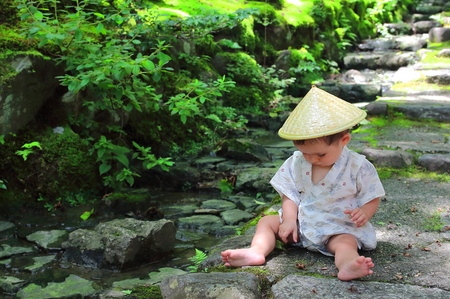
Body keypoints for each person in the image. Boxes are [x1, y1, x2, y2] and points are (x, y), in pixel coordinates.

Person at [221, 86, 385, 281]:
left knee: (345, 244)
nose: (312, 159)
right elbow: (289, 193)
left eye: (320, 154)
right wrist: (289, 220)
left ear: (344, 140)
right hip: (301, 224)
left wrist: (365, 212)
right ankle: (257, 251)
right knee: (267, 222)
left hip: (338, 226)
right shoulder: (297, 161)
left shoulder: (358, 166)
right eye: (305, 153)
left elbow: (372, 194)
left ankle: (348, 264)